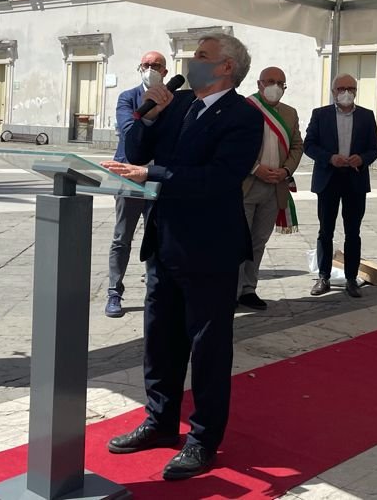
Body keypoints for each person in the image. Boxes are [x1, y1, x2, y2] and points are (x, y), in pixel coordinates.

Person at [102, 33, 263, 481]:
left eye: (203, 56)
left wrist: (150, 173)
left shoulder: (244, 117)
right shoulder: (179, 103)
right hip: (165, 242)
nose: (192, 62)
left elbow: (218, 178)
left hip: (210, 249)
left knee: (208, 349)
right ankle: (159, 421)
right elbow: (136, 150)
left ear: (226, 67)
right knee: (160, 339)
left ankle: (203, 439)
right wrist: (148, 115)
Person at [304, 73, 377, 298]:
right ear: (333, 91)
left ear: (356, 91)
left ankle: (351, 278)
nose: (346, 93)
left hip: (355, 180)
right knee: (325, 231)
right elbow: (309, 145)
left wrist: (362, 159)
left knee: (353, 232)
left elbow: (374, 148)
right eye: (341, 88)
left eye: (351, 88)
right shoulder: (320, 115)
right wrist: (329, 158)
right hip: (328, 179)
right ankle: (323, 277)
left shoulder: (366, 116)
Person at [105, 50, 168, 317]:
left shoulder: (174, 100)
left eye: (156, 65)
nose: (150, 69)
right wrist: (151, 113)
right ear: (139, 68)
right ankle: (114, 291)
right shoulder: (128, 97)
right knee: (122, 237)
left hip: (158, 178)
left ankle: (156, 289)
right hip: (128, 175)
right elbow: (129, 130)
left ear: (165, 72)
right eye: (146, 64)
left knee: (159, 237)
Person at [238, 66, 303, 310]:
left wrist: (286, 170)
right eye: (270, 81)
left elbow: (297, 146)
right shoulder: (245, 108)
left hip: (275, 186)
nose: (275, 86)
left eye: (280, 83)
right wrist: (255, 168)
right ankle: (231, 291)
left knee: (258, 241)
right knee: (238, 241)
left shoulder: (290, 113)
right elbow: (234, 145)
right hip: (247, 184)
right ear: (259, 84)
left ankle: (248, 289)